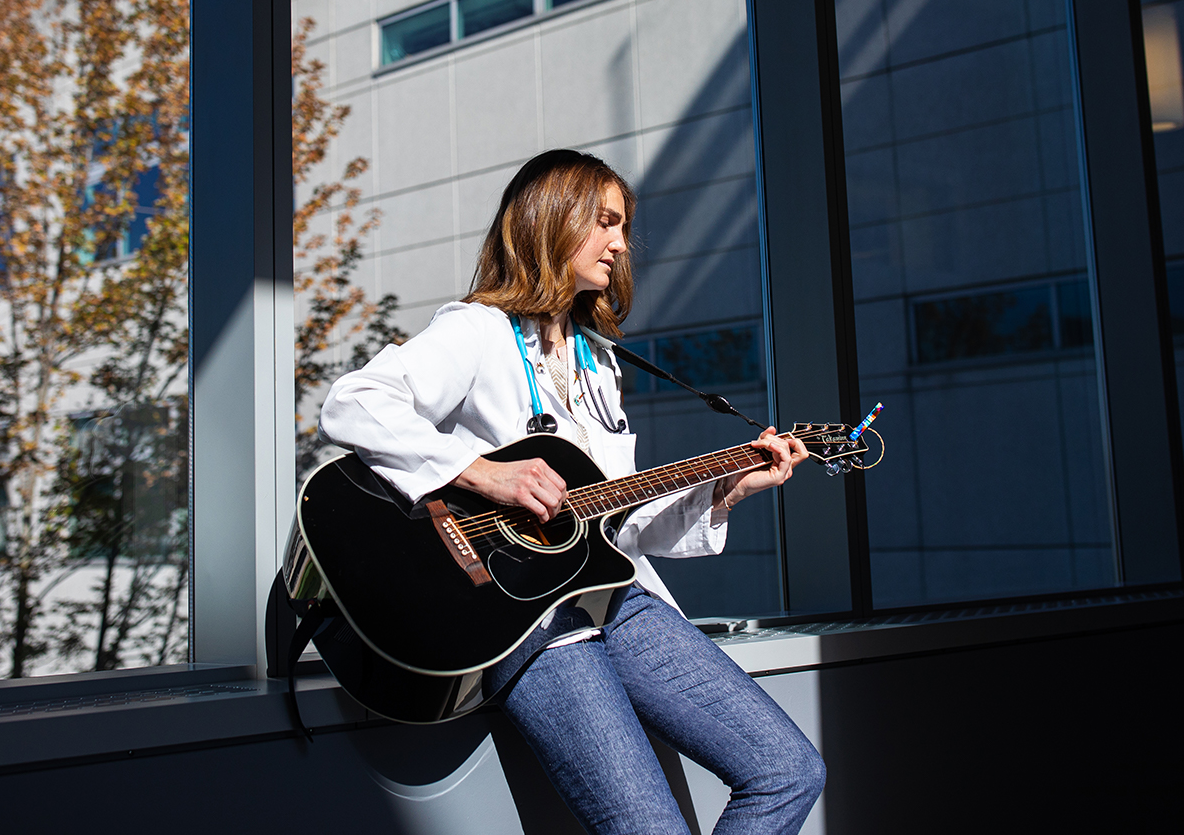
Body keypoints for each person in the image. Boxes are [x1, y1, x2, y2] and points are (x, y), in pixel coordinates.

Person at [318, 149, 826, 834]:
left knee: (788, 770)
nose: (622, 243)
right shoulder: (477, 332)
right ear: (551, 220)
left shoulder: (599, 361)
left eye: (624, 226)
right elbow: (353, 403)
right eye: (606, 222)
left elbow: (620, 524)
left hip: (619, 599)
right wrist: (482, 472)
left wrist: (725, 491)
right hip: (526, 619)